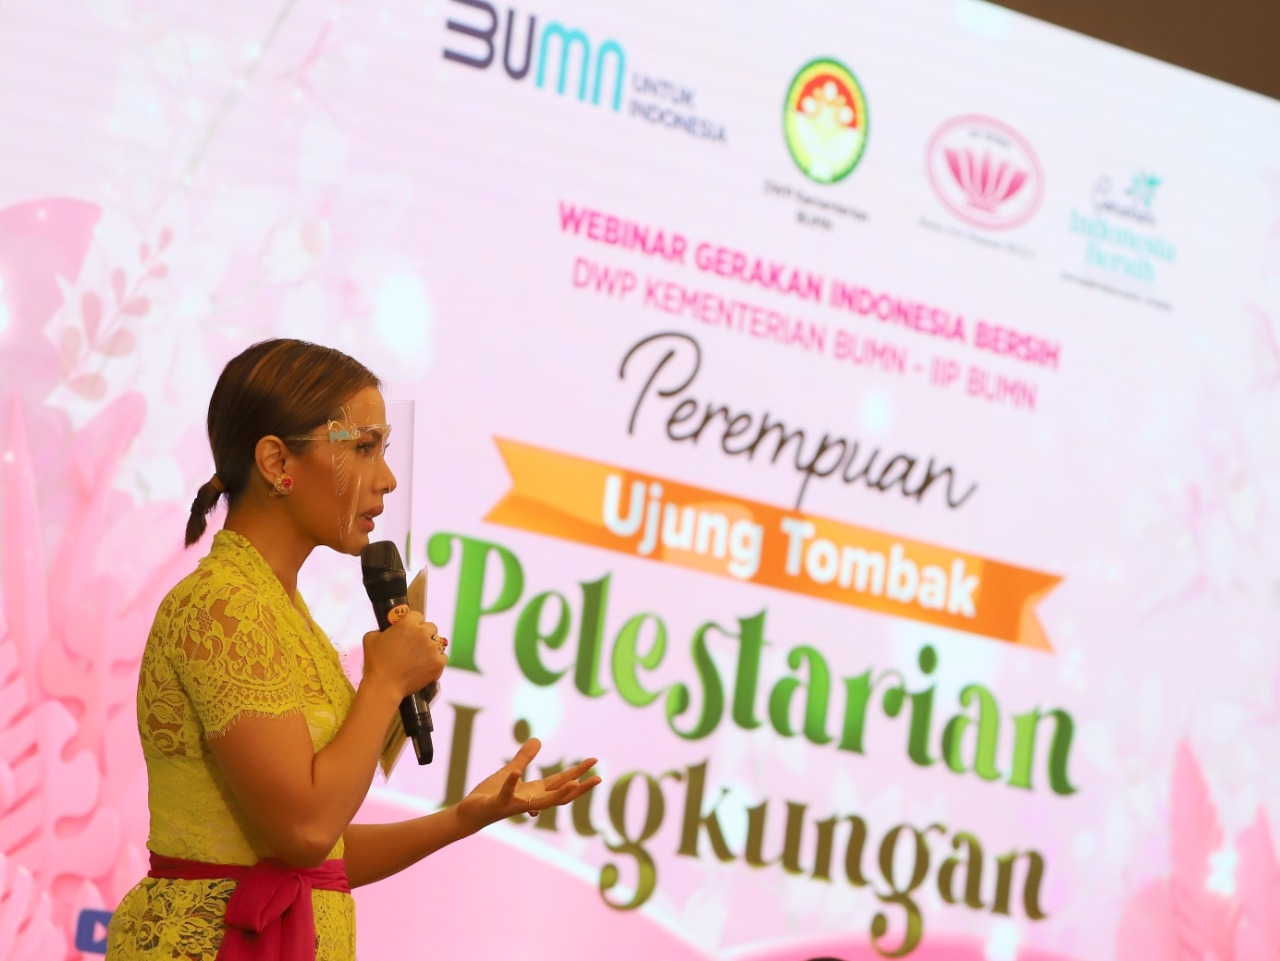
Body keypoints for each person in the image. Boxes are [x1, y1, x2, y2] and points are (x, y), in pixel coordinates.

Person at [105, 339, 599, 960]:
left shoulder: (282, 611)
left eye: (384, 449)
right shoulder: (222, 606)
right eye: (364, 447)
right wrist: (385, 682)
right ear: (277, 461)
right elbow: (306, 831)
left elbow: (321, 859)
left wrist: (463, 817)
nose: (387, 479)